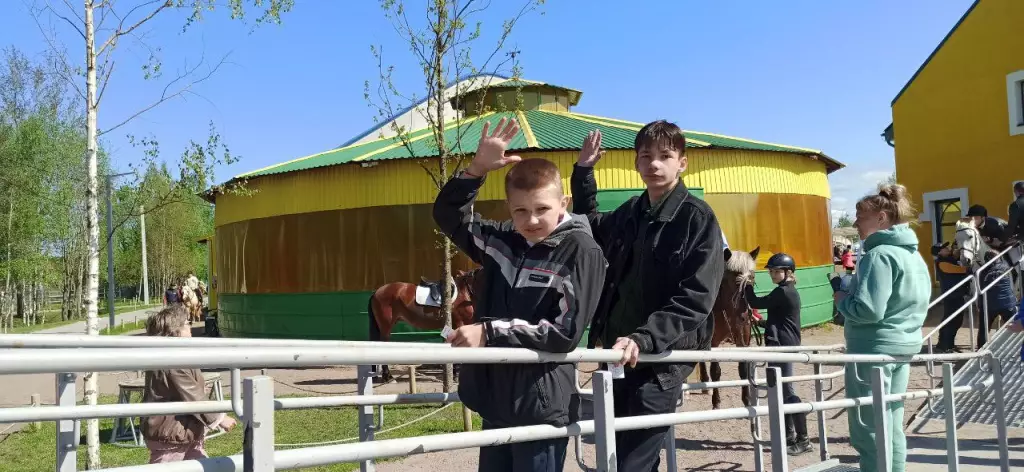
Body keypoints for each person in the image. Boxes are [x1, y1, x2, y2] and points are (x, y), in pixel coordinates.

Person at [433, 117, 607, 472]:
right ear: (509, 208)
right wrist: (476, 169)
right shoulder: (500, 242)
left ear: (564, 203)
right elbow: (446, 215)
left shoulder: (580, 250)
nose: (531, 220)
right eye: (520, 211)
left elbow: (565, 334)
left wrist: (491, 330)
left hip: (541, 406)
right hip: (494, 400)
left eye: (542, 209)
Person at [571, 123, 725, 471]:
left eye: (665, 156)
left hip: (660, 363)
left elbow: (697, 296)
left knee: (632, 463)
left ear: (682, 163)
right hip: (617, 357)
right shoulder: (631, 212)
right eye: (646, 157)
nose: (655, 164)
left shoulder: (697, 219)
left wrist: (646, 336)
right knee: (620, 454)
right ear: (637, 163)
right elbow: (589, 224)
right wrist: (583, 172)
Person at [835, 183, 931, 472]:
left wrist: (842, 299)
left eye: (860, 216)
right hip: (903, 345)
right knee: (891, 422)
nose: (855, 223)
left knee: (869, 426)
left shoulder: (879, 255)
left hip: (873, 350)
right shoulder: (913, 255)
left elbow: (869, 310)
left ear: (881, 218)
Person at [141, 305, 236, 463]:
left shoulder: (174, 356)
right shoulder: (173, 360)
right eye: (187, 323)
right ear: (174, 331)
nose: (190, 326)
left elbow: (185, 389)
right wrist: (219, 418)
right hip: (171, 437)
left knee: (203, 465)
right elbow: (193, 395)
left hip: (185, 433)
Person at [743, 252, 812, 455]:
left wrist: (747, 282)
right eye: (771, 271)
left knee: (788, 392)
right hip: (781, 342)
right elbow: (780, 319)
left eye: (776, 271)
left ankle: (803, 439)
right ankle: (789, 436)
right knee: (782, 393)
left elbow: (754, 302)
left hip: (784, 346)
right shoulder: (784, 291)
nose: (772, 274)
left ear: (787, 272)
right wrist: (761, 322)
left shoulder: (783, 292)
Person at [932, 242, 970, 353]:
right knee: (952, 320)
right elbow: (962, 270)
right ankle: (945, 345)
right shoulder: (942, 263)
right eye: (944, 248)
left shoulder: (949, 259)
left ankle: (948, 344)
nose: (948, 248)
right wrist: (969, 268)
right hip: (951, 296)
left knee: (955, 320)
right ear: (939, 252)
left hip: (957, 294)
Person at [977, 249, 1019, 348]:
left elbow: (980, 289)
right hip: (1007, 304)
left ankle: (980, 349)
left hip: (989, 305)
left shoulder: (981, 271)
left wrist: (980, 305)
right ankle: (1016, 346)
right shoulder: (1006, 267)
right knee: (1014, 325)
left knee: (984, 329)